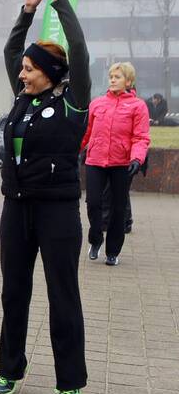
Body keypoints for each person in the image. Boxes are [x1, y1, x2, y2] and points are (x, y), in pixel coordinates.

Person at [0, 0, 89, 394]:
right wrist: (27, 8)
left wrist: (58, 1)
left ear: (49, 73)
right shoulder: (23, 99)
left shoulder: (72, 101)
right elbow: (13, 48)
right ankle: (10, 368)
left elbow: (82, 55)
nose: (22, 73)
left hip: (57, 213)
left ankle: (69, 381)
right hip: (16, 209)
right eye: (23, 69)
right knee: (13, 292)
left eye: (30, 70)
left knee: (62, 294)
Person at [81, 62, 150, 266]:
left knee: (118, 209)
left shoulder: (138, 106)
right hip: (95, 160)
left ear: (128, 81)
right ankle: (95, 240)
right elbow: (86, 132)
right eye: (111, 76)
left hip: (122, 163)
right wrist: (71, 152)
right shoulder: (97, 104)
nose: (112, 79)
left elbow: (141, 137)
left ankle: (112, 251)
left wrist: (137, 158)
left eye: (117, 77)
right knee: (93, 203)